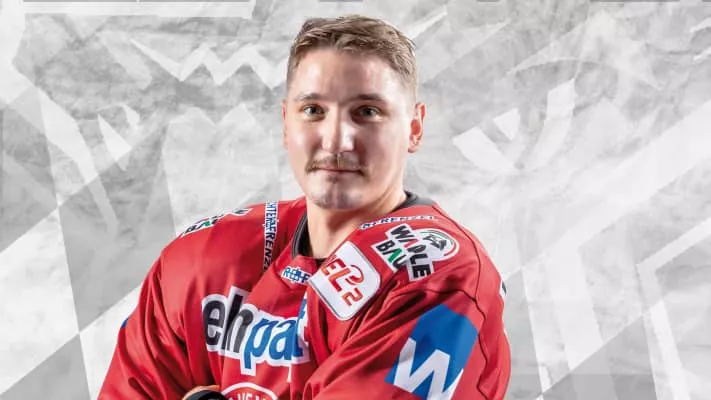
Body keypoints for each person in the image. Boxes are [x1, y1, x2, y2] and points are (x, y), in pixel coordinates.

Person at [99, 14, 511, 400]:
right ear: (286, 122)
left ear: (414, 128)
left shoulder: (442, 277)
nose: (336, 140)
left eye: (367, 112)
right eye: (313, 111)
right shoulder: (202, 261)